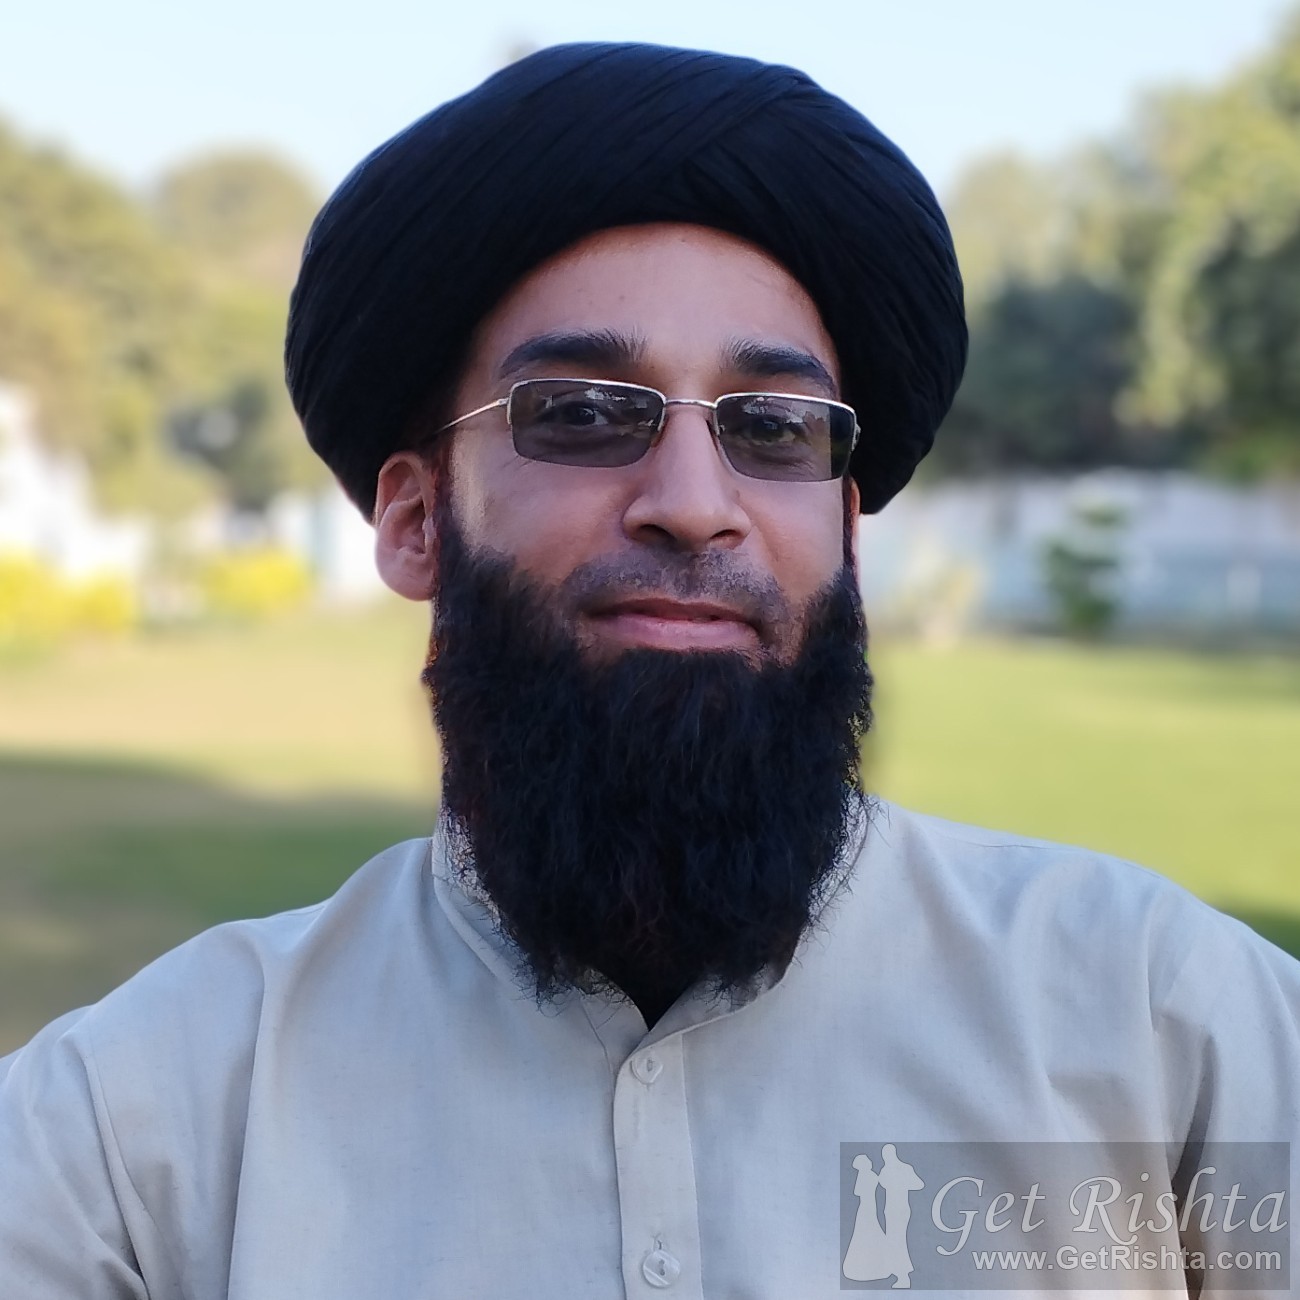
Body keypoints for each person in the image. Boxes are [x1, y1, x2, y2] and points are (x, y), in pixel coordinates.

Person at [1, 42, 1297, 1299]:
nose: (693, 503)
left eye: (773, 429)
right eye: (582, 412)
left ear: (847, 533)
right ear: (415, 520)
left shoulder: (1164, 1029)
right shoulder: (135, 1129)